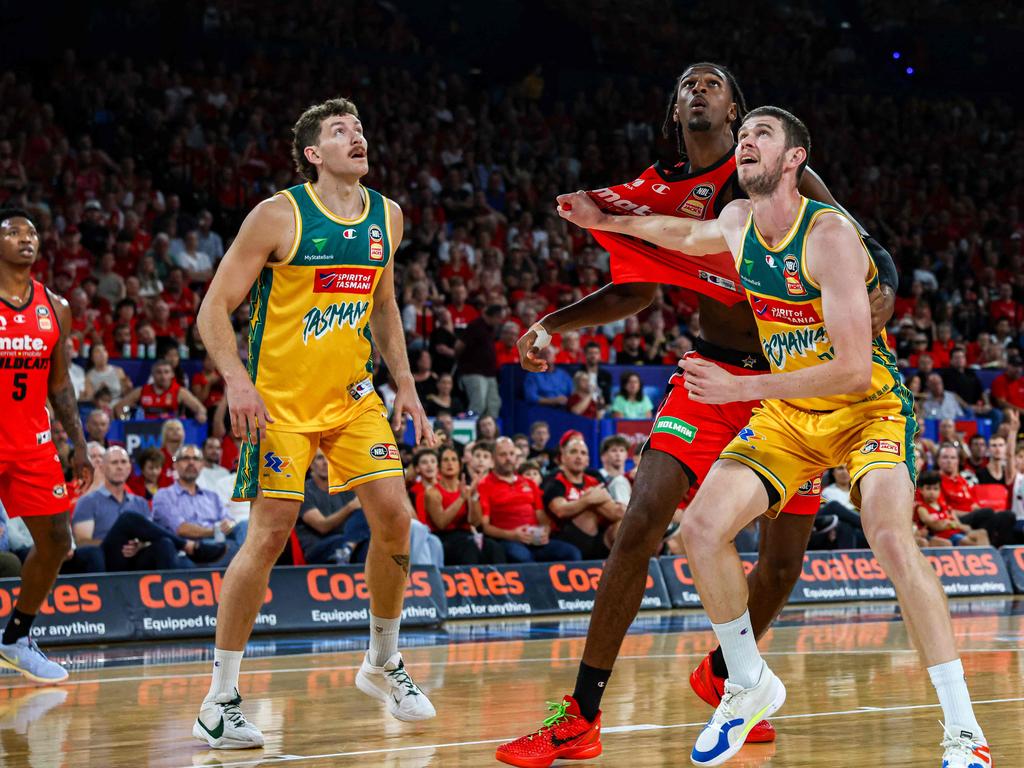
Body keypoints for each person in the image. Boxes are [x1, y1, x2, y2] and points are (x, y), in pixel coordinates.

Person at [539, 106, 988, 767]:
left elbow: (853, 366)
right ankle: (747, 683)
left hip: (864, 408)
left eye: (762, 136)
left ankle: (963, 732)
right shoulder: (738, 222)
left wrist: (740, 390)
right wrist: (604, 218)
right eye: (742, 135)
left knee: (891, 537)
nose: (745, 142)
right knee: (700, 529)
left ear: (794, 160)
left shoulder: (830, 234)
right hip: (790, 415)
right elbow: (675, 233)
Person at [499, 63, 898, 767]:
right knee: (641, 523)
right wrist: (553, 325)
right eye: (689, 84)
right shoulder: (659, 196)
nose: (700, 90)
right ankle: (580, 714)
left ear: (740, 111)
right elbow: (636, 293)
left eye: (714, 83)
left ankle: (726, 675)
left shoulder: (781, 182)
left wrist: (882, 295)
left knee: (778, 568)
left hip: (789, 386)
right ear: (675, 109)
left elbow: (872, 255)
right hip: (712, 375)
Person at [192, 98, 436, 748]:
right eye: (339, 131)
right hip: (282, 403)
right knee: (269, 535)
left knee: (395, 517)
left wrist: (406, 387)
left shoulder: (388, 215)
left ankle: (382, 660)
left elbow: (383, 303)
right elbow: (214, 308)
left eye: (358, 126)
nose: (356, 136)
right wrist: (237, 382)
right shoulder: (278, 215)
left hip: (354, 397)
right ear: (312, 153)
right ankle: (219, 699)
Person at [0, 208, 91, 684]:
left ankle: (16, 635)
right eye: (12, 231)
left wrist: (79, 444)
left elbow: (60, 387)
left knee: (57, 541)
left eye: (31, 231)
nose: (24, 238)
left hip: (32, 442)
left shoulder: (55, 306)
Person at [73, 446, 224, 572]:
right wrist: (118, 542)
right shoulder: (88, 501)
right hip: (106, 558)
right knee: (128, 518)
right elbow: (82, 542)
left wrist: (139, 546)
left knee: (165, 543)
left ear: (129, 468)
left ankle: (172, 598)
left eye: (123, 462)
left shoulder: (140, 502)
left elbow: (150, 535)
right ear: (103, 467)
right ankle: (188, 545)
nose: (119, 466)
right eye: (114, 462)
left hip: (135, 559)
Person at [479, 437, 581, 563]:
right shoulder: (484, 485)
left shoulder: (528, 483)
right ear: (493, 459)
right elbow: (485, 526)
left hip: (535, 539)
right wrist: (512, 535)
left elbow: (541, 516)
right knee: (522, 557)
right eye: (503, 455)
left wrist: (545, 531)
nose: (508, 459)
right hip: (507, 540)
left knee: (572, 553)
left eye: (511, 454)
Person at [152, 445, 248, 566]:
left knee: (244, 525)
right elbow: (181, 529)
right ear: (175, 465)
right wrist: (215, 530)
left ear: (201, 465)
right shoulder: (164, 495)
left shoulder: (212, 496)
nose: (191, 462)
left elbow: (229, 520)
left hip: (217, 549)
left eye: (196, 459)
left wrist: (229, 524)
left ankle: (251, 571)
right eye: (185, 458)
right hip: (188, 552)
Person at [542, 436, 622, 560]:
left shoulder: (595, 481)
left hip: (600, 537)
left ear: (587, 461)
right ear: (563, 458)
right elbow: (560, 511)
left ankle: (625, 570)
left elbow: (616, 513)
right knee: (588, 511)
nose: (579, 456)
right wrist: (588, 500)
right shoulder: (555, 481)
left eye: (583, 453)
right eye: (573, 452)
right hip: (567, 537)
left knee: (621, 525)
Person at [424, 446, 505, 565]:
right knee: (468, 547)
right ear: (439, 466)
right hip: (443, 538)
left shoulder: (467, 489)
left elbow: (475, 522)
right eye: (445, 460)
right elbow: (441, 523)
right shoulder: (432, 492)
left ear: (460, 465)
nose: (450, 463)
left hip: (467, 536)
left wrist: (473, 496)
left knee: (493, 547)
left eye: (454, 459)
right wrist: (461, 498)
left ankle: (500, 582)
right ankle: (471, 582)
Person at [295, 452, 366, 564]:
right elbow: (322, 526)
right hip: (317, 549)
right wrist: (350, 507)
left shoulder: (344, 488)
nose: (325, 462)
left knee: (369, 543)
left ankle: (349, 550)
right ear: (311, 464)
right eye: (320, 458)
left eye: (329, 458)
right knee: (343, 541)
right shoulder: (304, 490)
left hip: (346, 542)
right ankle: (347, 548)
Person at [115, 359, 207, 422]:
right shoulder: (142, 391)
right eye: (159, 372)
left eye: (166, 372)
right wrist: (125, 423)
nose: (163, 376)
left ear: (172, 374)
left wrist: (201, 415)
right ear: (153, 375)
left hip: (172, 430)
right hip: (145, 432)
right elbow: (119, 407)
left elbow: (201, 409)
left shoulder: (180, 392)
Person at [915, 471, 990, 546]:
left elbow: (962, 526)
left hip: (958, 533)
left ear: (940, 490)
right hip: (943, 538)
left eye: (935, 489)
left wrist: (949, 524)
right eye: (928, 489)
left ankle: (988, 557)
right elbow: (935, 526)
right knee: (966, 541)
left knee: (982, 533)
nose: (932, 492)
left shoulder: (947, 507)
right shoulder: (922, 508)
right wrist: (952, 524)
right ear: (921, 490)